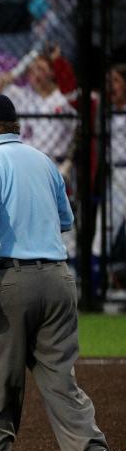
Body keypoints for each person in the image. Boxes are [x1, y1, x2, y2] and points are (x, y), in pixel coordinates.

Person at [0, 91, 116, 451]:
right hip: (59, 280)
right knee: (61, 381)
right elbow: (66, 220)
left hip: (8, 282)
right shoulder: (43, 160)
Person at [91, 64, 126, 296]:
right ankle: (94, 291)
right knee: (102, 235)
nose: (110, 87)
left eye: (114, 81)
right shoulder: (104, 113)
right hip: (116, 175)